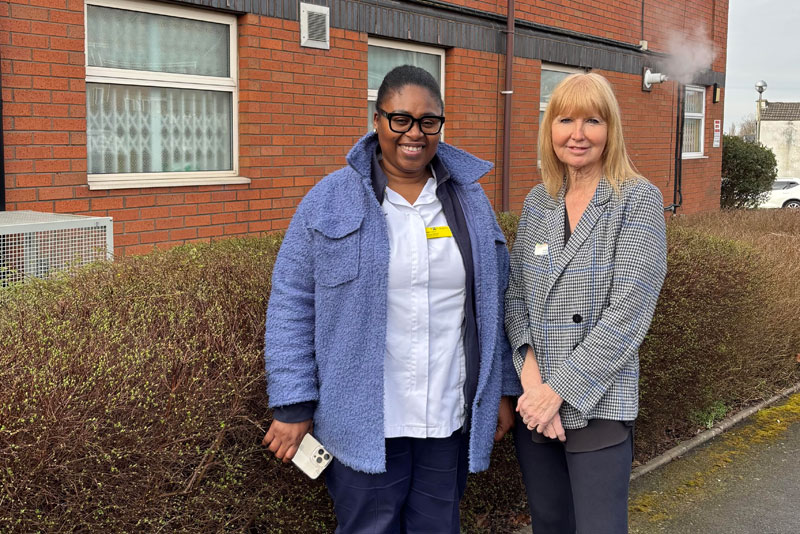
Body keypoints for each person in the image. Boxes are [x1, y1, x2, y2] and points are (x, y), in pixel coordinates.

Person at [262, 65, 520, 533]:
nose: (413, 133)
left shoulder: (468, 200)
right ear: (376, 120)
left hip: (446, 413)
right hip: (363, 419)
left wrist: (501, 389)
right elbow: (291, 303)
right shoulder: (330, 200)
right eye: (400, 119)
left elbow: (494, 302)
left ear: (441, 125)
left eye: (428, 121)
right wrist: (293, 404)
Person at [505, 72, 668, 534]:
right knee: (549, 525)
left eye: (592, 121)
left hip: (598, 405)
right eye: (565, 120)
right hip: (536, 407)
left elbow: (628, 314)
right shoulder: (539, 201)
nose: (577, 134)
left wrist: (560, 393)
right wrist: (535, 386)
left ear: (610, 130)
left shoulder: (636, 200)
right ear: (549, 129)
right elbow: (515, 298)